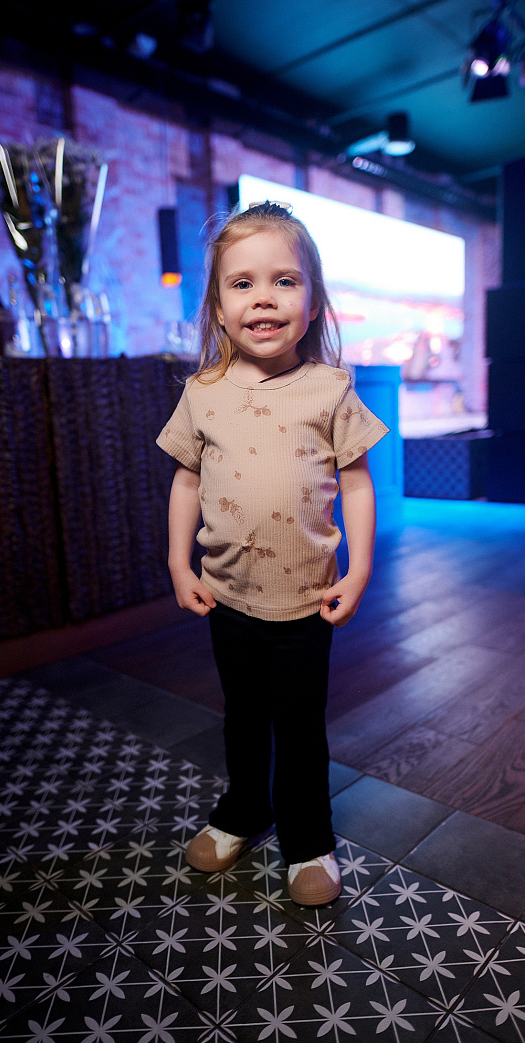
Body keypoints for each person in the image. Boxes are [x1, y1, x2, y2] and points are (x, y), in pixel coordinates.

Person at [156, 200, 389, 907]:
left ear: (312, 304)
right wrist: (178, 563)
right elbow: (187, 479)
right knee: (243, 715)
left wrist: (359, 568)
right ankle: (243, 807)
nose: (263, 298)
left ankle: (308, 836)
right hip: (228, 595)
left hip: (304, 601)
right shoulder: (202, 393)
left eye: (284, 281)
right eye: (243, 283)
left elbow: (356, 483)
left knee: (299, 725)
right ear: (218, 309)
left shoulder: (330, 389)